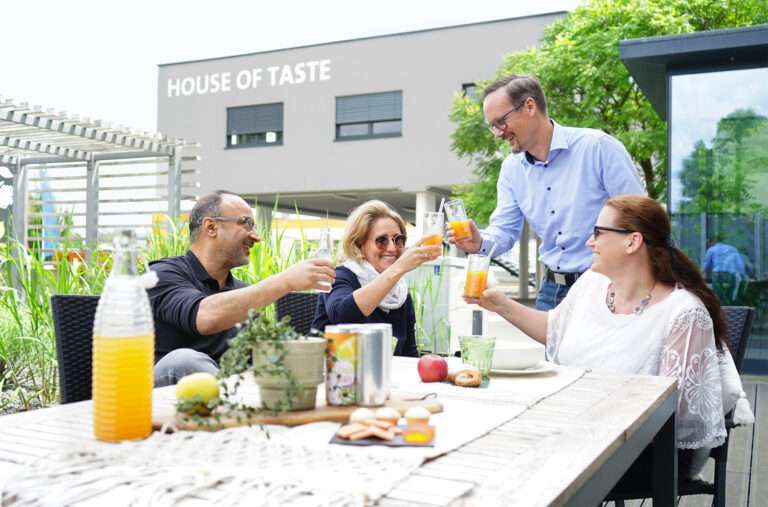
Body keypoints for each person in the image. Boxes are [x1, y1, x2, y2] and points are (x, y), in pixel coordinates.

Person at [465, 194, 753, 479]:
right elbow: (554, 332)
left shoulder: (683, 313)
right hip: (577, 432)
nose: (590, 242)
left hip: (645, 452)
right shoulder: (592, 284)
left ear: (633, 241)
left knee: (516, 461)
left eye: (599, 233)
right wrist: (499, 304)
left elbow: (675, 414)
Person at [449, 74, 646, 310]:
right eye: (493, 126)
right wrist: (479, 242)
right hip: (552, 290)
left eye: (501, 122)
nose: (499, 133)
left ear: (530, 106)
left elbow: (641, 219)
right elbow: (504, 231)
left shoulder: (598, 148)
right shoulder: (511, 169)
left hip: (604, 285)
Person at [149, 191, 335, 386]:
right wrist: (285, 281)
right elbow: (204, 317)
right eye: (246, 223)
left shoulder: (240, 292)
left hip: (219, 398)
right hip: (160, 393)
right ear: (211, 227)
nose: (256, 236)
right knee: (184, 361)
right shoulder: (162, 274)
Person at [312, 200, 441, 356]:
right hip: (332, 374)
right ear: (359, 245)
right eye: (382, 241)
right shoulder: (339, 276)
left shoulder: (399, 292)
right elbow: (342, 316)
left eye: (398, 240)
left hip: (383, 375)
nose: (392, 248)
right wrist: (398, 268)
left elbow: (409, 352)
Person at [704, 236, 747, 303]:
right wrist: (742, 275)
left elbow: (706, 265)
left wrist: (701, 275)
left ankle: (721, 306)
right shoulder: (733, 249)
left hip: (717, 273)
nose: (708, 245)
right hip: (730, 273)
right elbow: (739, 263)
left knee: (718, 293)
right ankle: (730, 304)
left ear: (712, 241)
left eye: (708, 243)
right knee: (730, 292)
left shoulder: (711, 250)